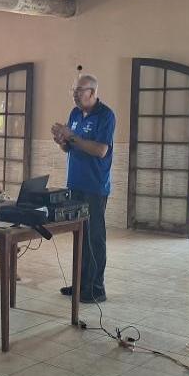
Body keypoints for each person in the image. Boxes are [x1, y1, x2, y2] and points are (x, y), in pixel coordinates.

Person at [52, 74, 115, 304]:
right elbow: (70, 147)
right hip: (75, 183)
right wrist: (62, 140)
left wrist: (72, 137)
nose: (75, 94)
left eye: (79, 90)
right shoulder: (75, 114)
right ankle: (80, 283)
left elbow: (100, 150)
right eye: (74, 90)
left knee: (94, 237)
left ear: (92, 92)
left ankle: (96, 288)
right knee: (79, 234)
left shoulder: (105, 115)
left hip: (95, 186)